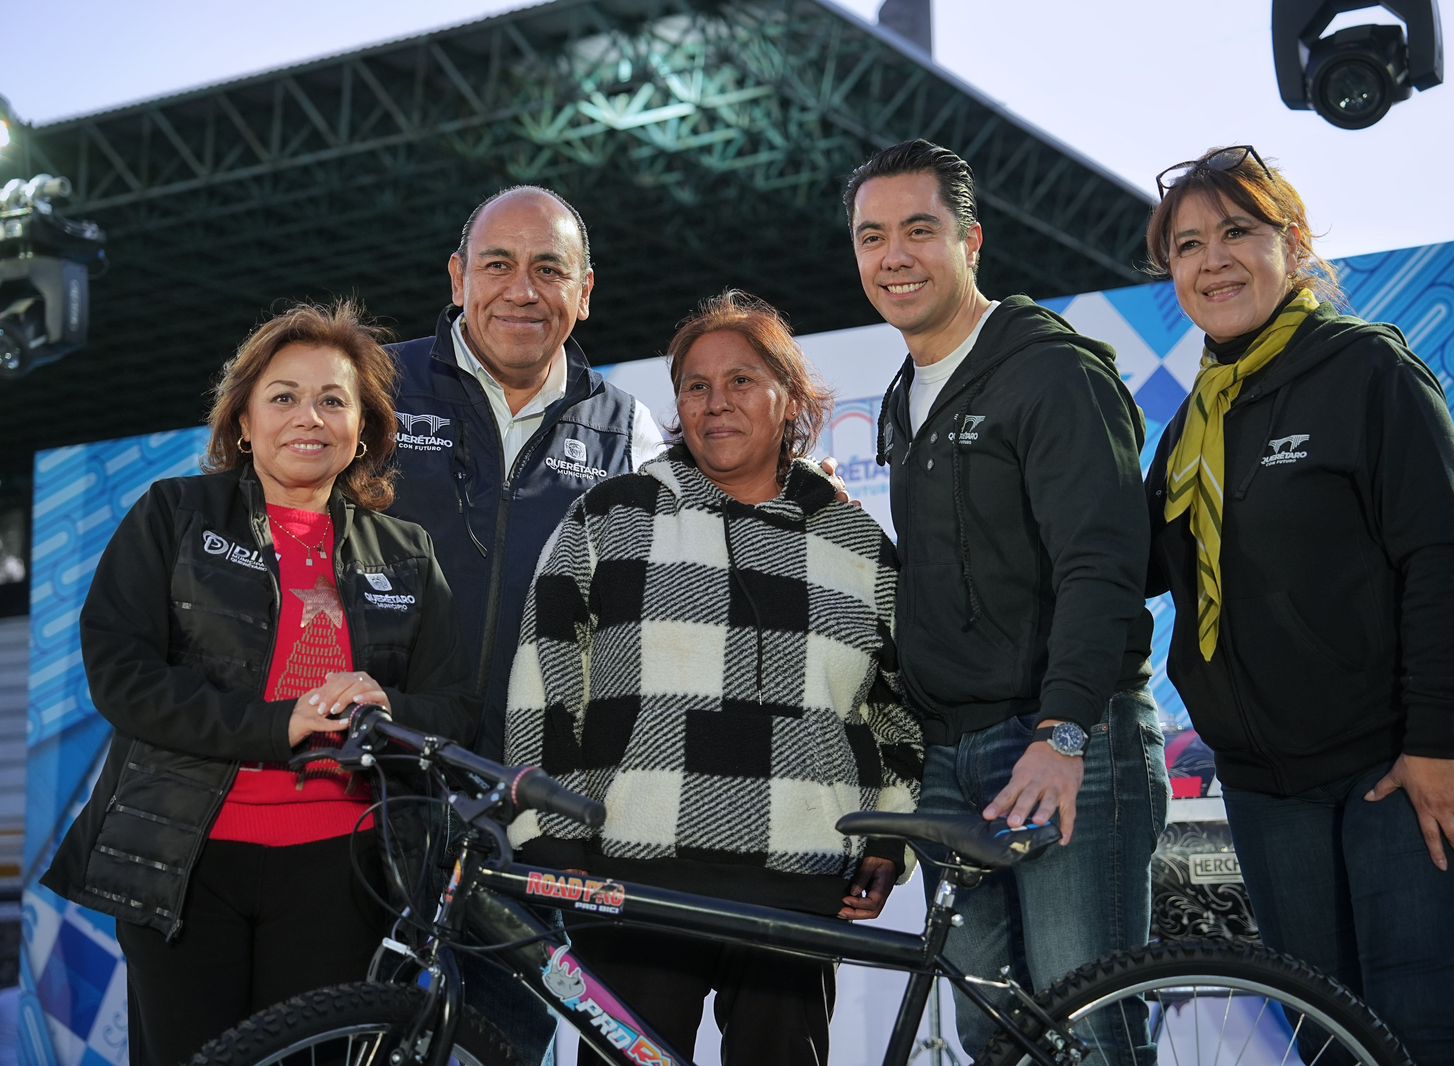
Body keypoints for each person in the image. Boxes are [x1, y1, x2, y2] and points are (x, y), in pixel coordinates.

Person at [1143, 145, 1454, 1066]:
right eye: (1188, 245)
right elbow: (1131, 559)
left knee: (1422, 1032)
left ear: (1293, 244)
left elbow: (1447, 563)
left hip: (1404, 759)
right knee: (1330, 1042)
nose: (1212, 259)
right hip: (1273, 786)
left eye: (1238, 232)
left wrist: (1435, 741)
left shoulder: (1366, 370)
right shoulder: (1199, 417)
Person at [41, 301, 475, 1065]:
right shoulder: (172, 514)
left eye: (333, 400)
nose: (308, 416)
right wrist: (277, 725)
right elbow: (122, 676)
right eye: (283, 396)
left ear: (363, 432)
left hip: (342, 875)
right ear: (242, 421)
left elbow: (454, 705)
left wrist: (389, 705)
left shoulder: (408, 551)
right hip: (186, 867)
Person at [503, 290, 923, 1065]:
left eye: (740, 381)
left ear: (790, 399)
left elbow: (896, 710)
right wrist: (546, 832)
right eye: (695, 385)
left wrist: (890, 839)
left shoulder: (859, 541)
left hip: (798, 874)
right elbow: (546, 676)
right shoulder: (612, 514)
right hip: (632, 871)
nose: (714, 403)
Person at [842, 139, 1168, 1061]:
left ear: (972, 240)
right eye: (873, 237)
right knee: (995, 1044)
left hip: (1068, 744)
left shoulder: (1054, 371)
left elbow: (1103, 567)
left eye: (919, 230)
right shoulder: (908, 394)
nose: (894, 256)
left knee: (1094, 1030)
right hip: (955, 759)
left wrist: (1063, 731)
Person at [383, 185, 664, 1062]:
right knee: (352, 1034)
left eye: (550, 269)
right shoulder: (371, 387)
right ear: (459, 276)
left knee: (503, 1042)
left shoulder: (631, 433)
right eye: (498, 264)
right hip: (374, 790)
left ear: (584, 292)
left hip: (529, 808)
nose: (521, 289)